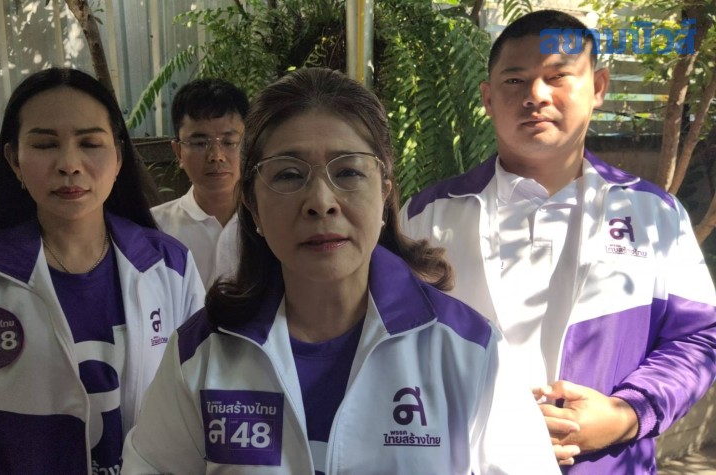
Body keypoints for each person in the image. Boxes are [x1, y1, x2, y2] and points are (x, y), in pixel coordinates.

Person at [121, 67, 559, 474]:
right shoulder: (201, 353)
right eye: (289, 175)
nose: (320, 201)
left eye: (348, 171)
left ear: (384, 192)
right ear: (252, 204)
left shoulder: (468, 350)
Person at [400, 9, 716, 474]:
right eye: (514, 80)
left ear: (599, 87)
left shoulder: (655, 216)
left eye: (558, 76)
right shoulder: (424, 217)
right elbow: (388, 346)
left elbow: (699, 336)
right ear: (487, 98)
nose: (536, 95)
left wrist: (627, 414)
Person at [0, 67, 206, 474]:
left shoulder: (171, 267)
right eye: (45, 144)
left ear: (118, 157)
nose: (69, 164)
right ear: (14, 160)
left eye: (90, 143)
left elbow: (199, 403)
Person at [151, 78, 249, 289]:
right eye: (200, 143)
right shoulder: (155, 229)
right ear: (178, 152)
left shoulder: (270, 223)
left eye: (229, 142)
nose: (216, 156)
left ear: (248, 146)